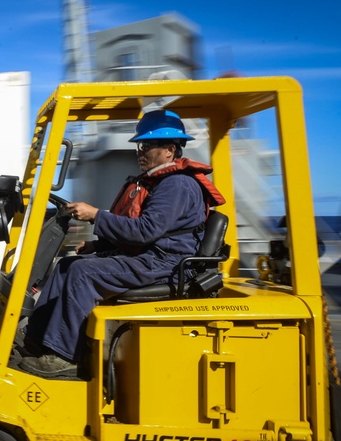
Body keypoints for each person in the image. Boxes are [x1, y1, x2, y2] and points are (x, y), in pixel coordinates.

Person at [20, 109, 225, 376]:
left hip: (165, 264)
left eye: (148, 145)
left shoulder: (176, 185)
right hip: (151, 256)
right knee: (67, 265)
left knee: (82, 274)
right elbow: (147, 231)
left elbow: (145, 231)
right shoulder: (160, 181)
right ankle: (38, 340)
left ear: (170, 150)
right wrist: (99, 246)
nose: (141, 151)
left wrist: (96, 215)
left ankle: (64, 358)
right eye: (141, 145)